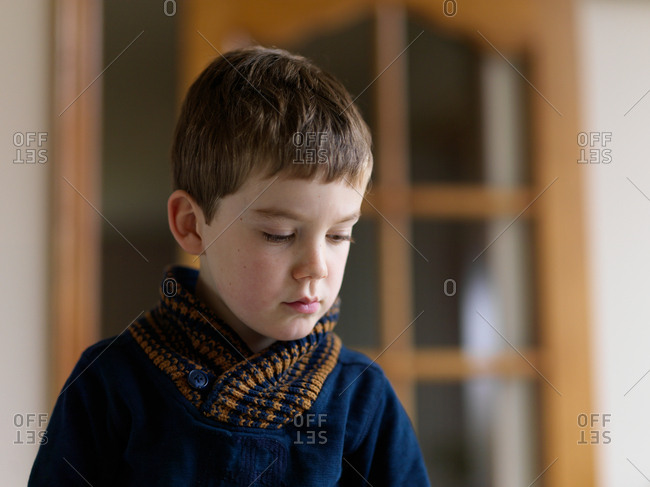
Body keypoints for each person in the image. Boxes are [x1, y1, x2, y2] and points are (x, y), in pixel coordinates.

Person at [29, 46, 430, 486]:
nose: (316, 267)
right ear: (192, 226)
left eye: (339, 235)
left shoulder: (363, 399)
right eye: (279, 234)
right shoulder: (110, 383)